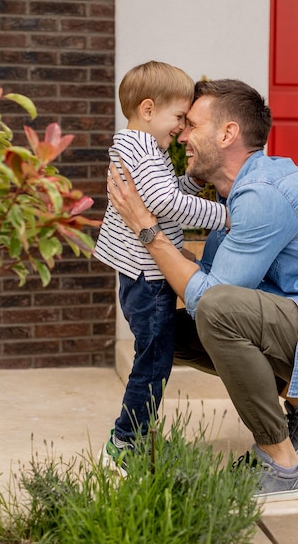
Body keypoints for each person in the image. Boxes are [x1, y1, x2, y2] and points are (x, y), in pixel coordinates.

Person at [107, 78, 298, 502]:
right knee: (172, 332)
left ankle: (282, 466)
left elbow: (212, 298)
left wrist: (147, 229)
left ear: (227, 134)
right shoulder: (236, 199)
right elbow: (207, 285)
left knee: (217, 309)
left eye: (192, 126)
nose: (182, 137)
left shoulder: (263, 194)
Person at [94, 62, 228, 467]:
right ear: (148, 109)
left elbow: (164, 194)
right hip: (149, 279)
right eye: (178, 117)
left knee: (154, 356)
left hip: (138, 277)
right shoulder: (143, 150)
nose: (181, 128)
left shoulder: (135, 147)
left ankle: (136, 436)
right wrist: (223, 216)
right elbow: (166, 204)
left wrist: (190, 181)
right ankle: (125, 440)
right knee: (154, 361)